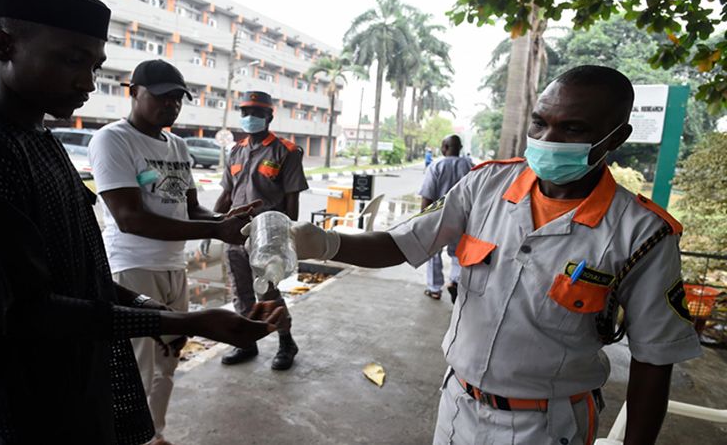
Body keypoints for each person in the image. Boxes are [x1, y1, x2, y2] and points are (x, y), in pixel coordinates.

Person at [0, 0, 281, 443]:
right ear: (3, 45)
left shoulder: (38, 138)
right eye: (73, 60)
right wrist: (184, 322)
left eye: (95, 65)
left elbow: (79, 275)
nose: (88, 83)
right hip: (35, 410)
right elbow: (27, 313)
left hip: (78, 386)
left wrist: (157, 311)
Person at [284, 66, 701, 445]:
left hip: (550, 426)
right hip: (457, 404)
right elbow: (403, 242)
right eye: (540, 122)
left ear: (616, 137)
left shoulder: (643, 233)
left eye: (573, 128)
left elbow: (654, 356)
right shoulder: (484, 185)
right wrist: (324, 243)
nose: (547, 139)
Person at [87, 59, 260, 445]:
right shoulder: (113, 140)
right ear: (133, 92)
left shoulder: (178, 144)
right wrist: (217, 229)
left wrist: (228, 218)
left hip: (173, 267)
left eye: (178, 98)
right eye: (162, 97)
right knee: (137, 366)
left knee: (169, 357)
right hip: (132, 268)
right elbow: (130, 218)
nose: (171, 105)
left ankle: (155, 434)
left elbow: (190, 208)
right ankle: (128, 437)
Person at [215, 91, 309, 371]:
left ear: (269, 116)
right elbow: (226, 195)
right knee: (240, 293)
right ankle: (246, 342)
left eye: (256, 113)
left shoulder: (286, 152)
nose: (249, 118)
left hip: (266, 238)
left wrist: (284, 238)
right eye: (245, 112)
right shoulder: (235, 150)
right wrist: (212, 226)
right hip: (235, 234)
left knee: (268, 293)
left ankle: (286, 341)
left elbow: (292, 204)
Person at [420, 135, 473, 302]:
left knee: (433, 253)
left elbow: (427, 196)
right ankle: (455, 281)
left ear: (445, 147)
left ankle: (434, 288)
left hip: (438, 218)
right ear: (460, 147)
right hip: (464, 219)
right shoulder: (471, 167)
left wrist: (423, 220)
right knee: (459, 253)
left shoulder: (436, 166)